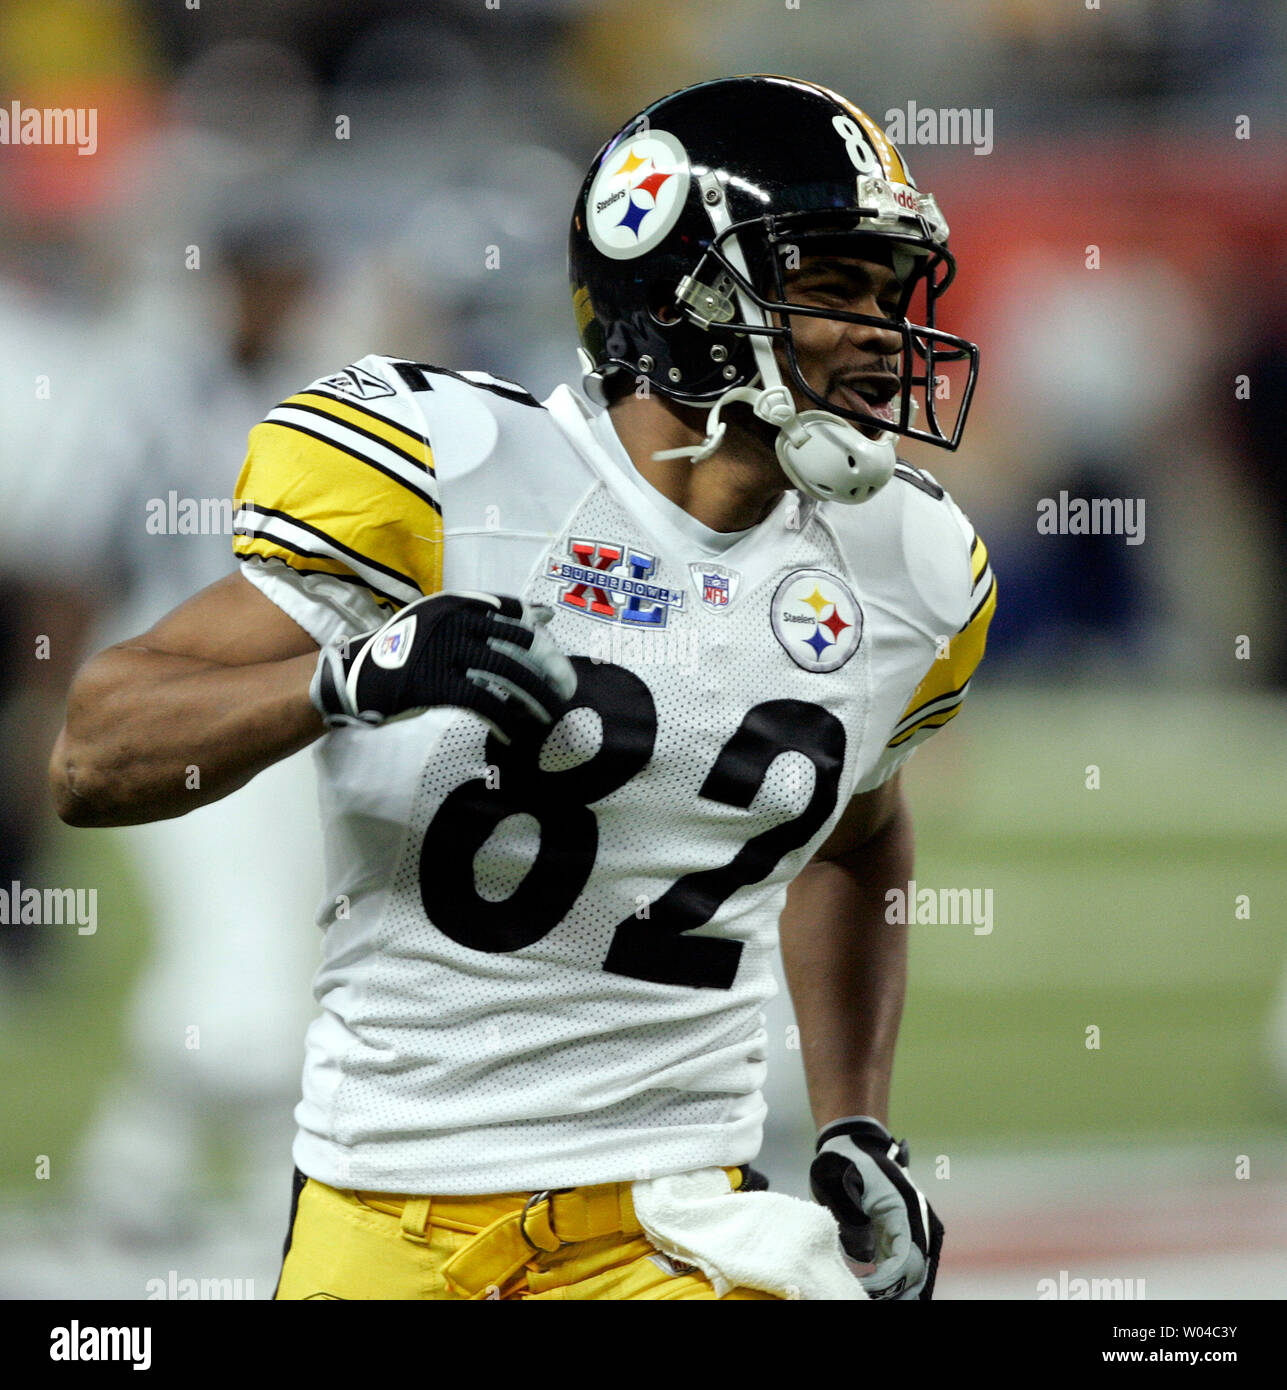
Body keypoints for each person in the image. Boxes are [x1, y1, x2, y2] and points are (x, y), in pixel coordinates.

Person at [51, 75, 996, 1302]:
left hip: (671, 1225)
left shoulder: (911, 572)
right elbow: (91, 755)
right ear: (685, 293)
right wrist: (348, 676)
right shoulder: (454, 482)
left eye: (888, 292)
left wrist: (852, 1118)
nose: (881, 333)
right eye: (828, 286)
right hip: (379, 1211)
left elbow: (859, 835)